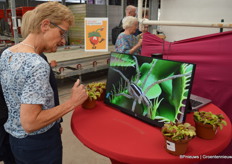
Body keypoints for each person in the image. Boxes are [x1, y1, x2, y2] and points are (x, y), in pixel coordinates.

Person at [0, 2, 88, 164]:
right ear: (45, 25)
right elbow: (31, 123)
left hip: (14, 140)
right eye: (61, 33)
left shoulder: (7, 53)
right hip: (38, 144)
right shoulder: (37, 64)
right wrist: (73, 102)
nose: (63, 40)